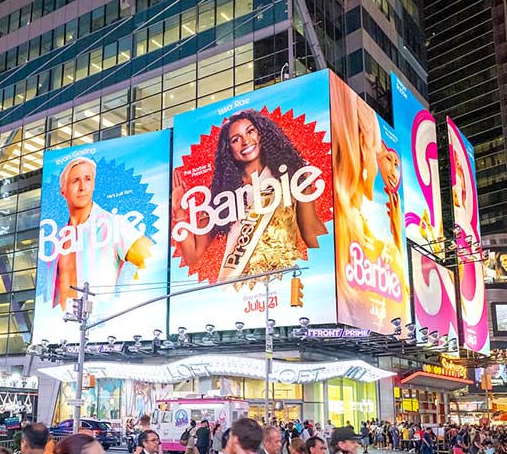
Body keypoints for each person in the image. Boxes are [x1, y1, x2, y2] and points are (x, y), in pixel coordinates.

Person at [170, 109, 327, 283]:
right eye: (236, 139)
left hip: (283, 279)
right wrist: (179, 212)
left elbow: (311, 231)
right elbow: (192, 256)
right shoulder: (221, 197)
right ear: (228, 149)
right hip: (235, 286)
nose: (245, 141)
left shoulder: (291, 176)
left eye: (250, 131)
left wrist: (330, 265)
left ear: (261, 134)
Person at [47, 155, 152, 310]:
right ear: (63, 191)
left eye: (88, 179)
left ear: (93, 184)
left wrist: (125, 301)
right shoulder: (56, 238)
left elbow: (151, 258)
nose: (82, 187)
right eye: (75, 181)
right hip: (60, 322)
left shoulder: (114, 224)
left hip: (100, 319)